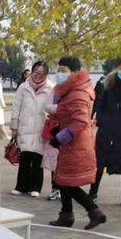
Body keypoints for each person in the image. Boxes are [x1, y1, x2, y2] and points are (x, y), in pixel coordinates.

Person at [47, 55, 106, 230]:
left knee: (67, 182)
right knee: (63, 179)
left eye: (64, 71)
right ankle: (66, 215)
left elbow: (80, 122)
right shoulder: (70, 90)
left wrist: (60, 137)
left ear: (75, 72)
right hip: (71, 142)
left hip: (75, 143)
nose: (59, 74)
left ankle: (94, 211)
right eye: (58, 70)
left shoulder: (76, 93)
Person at [10, 60, 53, 197]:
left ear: (46, 74)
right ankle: (21, 186)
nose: (37, 75)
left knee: (38, 159)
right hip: (25, 126)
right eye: (35, 72)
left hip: (41, 127)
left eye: (41, 73)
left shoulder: (50, 88)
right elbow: (16, 107)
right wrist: (14, 126)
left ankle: (36, 187)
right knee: (24, 158)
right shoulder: (23, 87)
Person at [90, 59, 121, 205]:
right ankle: (92, 193)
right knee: (99, 164)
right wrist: (103, 123)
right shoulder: (107, 85)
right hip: (105, 132)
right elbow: (100, 108)